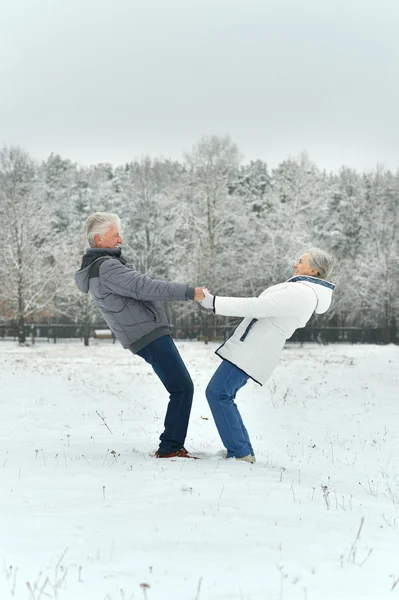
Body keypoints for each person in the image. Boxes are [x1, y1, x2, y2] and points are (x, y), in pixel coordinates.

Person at [74, 212, 205, 458]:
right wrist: (190, 292)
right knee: (182, 387)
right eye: (115, 235)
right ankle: (170, 447)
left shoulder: (103, 266)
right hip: (149, 334)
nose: (120, 239)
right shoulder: (107, 267)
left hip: (145, 333)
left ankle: (172, 445)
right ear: (99, 239)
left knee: (181, 387)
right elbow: (145, 287)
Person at [200, 248, 335, 463]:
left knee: (218, 393)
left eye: (300, 261)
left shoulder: (303, 293)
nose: (295, 264)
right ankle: (241, 451)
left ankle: (241, 452)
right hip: (252, 348)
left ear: (313, 269)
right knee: (222, 394)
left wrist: (214, 302)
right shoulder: (302, 290)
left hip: (254, 349)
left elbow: (258, 306)